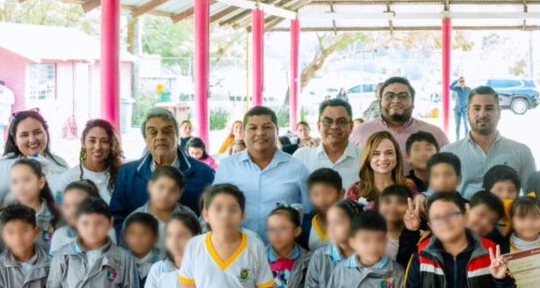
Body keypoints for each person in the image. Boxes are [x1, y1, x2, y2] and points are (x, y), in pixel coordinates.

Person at [213, 106, 310, 240]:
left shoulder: (297, 168)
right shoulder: (227, 167)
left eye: (267, 127)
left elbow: (309, 212)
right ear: (244, 133)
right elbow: (214, 209)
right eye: (253, 128)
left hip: (282, 254)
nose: (260, 133)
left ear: (277, 131)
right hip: (237, 251)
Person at [0, 110, 68, 242]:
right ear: (15, 139)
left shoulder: (60, 164)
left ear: (46, 133)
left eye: (38, 132)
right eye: (24, 135)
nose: (32, 139)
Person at [112, 109, 215, 228]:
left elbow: (212, 216)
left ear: (178, 136)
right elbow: (116, 217)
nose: (160, 137)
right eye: (153, 132)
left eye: (167, 131)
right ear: (145, 139)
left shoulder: (204, 173)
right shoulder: (127, 173)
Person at [446, 86, 535, 195]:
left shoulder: (521, 152)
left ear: (499, 113)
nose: (482, 114)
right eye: (477, 108)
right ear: (468, 113)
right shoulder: (449, 153)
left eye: (489, 108)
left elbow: (532, 197)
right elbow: (435, 194)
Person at [350, 76, 449, 158]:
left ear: (413, 103)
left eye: (403, 96)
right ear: (380, 102)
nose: (396, 100)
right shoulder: (360, 133)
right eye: (389, 96)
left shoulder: (435, 134)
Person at [294, 99, 361, 189]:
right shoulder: (302, 157)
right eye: (328, 121)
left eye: (341, 121)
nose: (334, 126)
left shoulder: (364, 157)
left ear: (351, 126)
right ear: (318, 126)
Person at [55, 119, 122, 203]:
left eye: (104, 141)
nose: (97, 147)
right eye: (92, 141)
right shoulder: (67, 179)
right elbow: (58, 210)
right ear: (83, 143)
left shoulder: (121, 176)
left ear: (111, 145)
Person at [346, 131, 414, 206]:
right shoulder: (356, 190)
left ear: (397, 156)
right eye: (376, 154)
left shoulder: (409, 185)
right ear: (368, 158)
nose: (383, 158)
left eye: (389, 153)